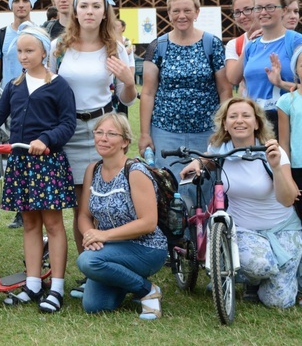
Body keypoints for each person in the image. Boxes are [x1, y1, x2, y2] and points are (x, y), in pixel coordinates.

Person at [0, 25, 77, 313]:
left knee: (54, 225)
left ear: (44, 52)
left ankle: (56, 287)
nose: (23, 56)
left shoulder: (58, 85)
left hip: (47, 162)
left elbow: (68, 123)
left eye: (29, 50)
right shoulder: (14, 85)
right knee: (30, 224)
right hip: (21, 162)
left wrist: (45, 140)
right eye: (19, 51)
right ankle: (33, 283)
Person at [49, 0, 136, 298]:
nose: (88, 11)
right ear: (74, 10)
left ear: (104, 13)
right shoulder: (60, 47)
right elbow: (48, 89)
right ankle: (88, 268)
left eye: (95, 6)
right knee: (79, 207)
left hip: (103, 129)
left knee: (100, 204)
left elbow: (129, 96)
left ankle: (100, 266)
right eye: (83, 5)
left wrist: (128, 80)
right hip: (68, 129)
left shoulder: (117, 48)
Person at [180, 97, 302, 309]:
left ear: (257, 123)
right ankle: (252, 277)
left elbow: (288, 199)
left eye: (246, 116)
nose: (239, 121)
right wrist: (197, 162)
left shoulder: (272, 151)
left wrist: (275, 167)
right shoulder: (221, 149)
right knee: (260, 266)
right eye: (233, 116)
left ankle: (270, 278)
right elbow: (209, 157)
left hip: (283, 228)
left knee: (279, 302)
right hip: (244, 229)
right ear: (225, 123)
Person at [77, 114, 167, 319]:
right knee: (95, 306)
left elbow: (148, 223)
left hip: (147, 248)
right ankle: (130, 283)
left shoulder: (135, 171)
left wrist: (104, 236)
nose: (103, 138)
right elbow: (83, 215)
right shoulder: (93, 169)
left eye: (111, 134)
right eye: (99, 133)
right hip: (110, 248)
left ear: (125, 141)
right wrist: (90, 234)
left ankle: (147, 290)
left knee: (88, 262)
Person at [139, 0, 232, 181]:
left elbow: (224, 89)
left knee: (206, 186)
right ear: (169, 14)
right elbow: (148, 92)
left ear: (197, 12)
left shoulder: (212, 44)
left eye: (187, 10)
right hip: (166, 131)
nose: (182, 16)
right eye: (176, 11)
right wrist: (145, 134)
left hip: (207, 131)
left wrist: (224, 128)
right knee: (169, 186)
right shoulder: (157, 47)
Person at [0, 0, 41, 229]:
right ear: (10, 4)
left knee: (35, 154)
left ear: (32, 4)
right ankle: (20, 208)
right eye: (16, 0)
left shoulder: (40, 33)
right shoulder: (0, 35)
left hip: (37, 102)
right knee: (12, 157)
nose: (21, 5)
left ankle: (36, 204)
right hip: (10, 103)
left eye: (25, 0)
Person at [227, 0, 302, 134]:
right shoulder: (251, 46)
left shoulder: (296, 42)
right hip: (257, 122)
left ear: (284, 10)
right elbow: (235, 80)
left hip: (289, 120)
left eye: (270, 7)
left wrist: (281, 83)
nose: (263, 12)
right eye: (258, 8)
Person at [276, 47, 302, 233]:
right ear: (296, 70)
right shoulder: (287, 101)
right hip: (298, 167)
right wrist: (288, 177)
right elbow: (283, 142)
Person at [225, 0, 259, 98]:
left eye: (247, 9)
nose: (242, 16)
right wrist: (250, 45)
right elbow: (233, 79)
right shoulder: (235, 44)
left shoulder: (277, 38)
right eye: (237, 12)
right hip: (252, 109)